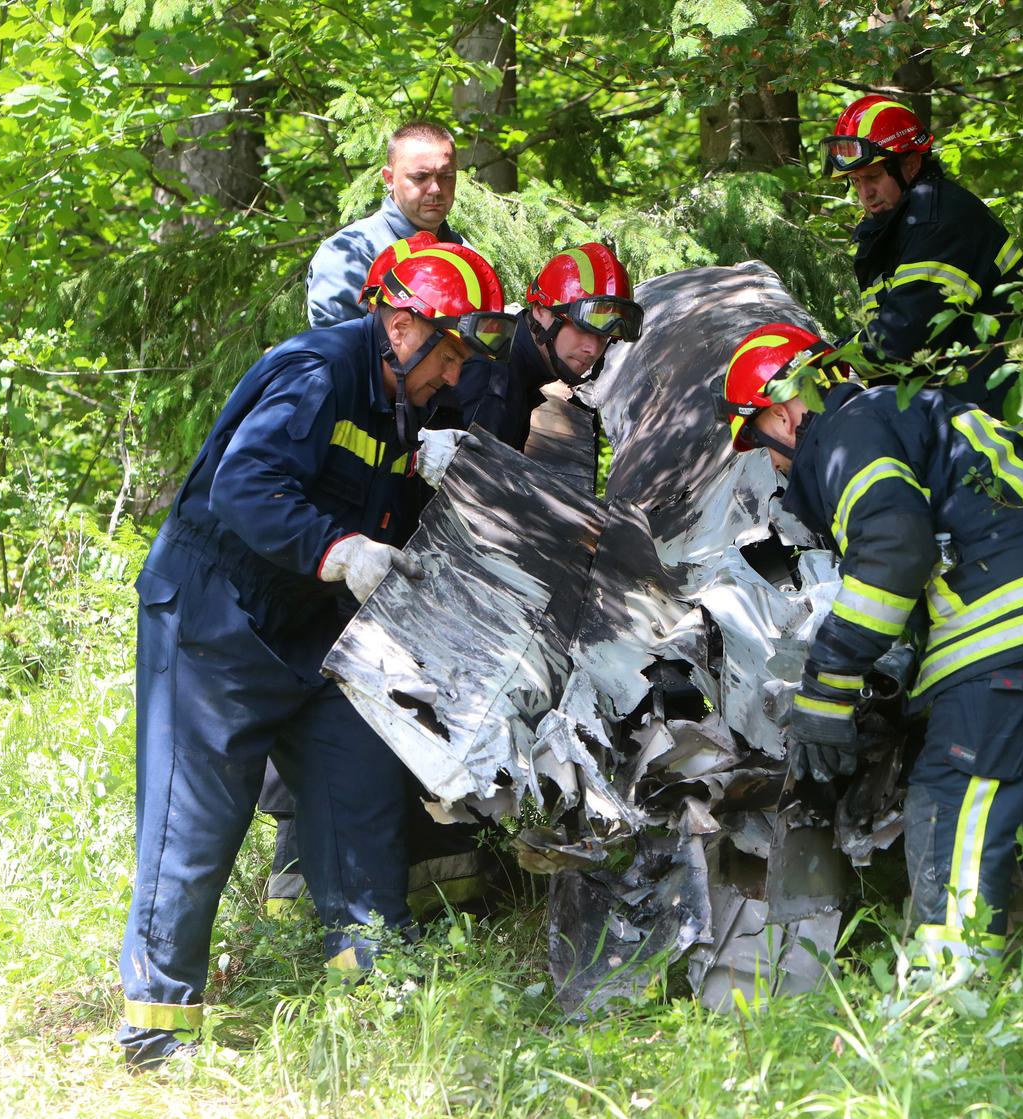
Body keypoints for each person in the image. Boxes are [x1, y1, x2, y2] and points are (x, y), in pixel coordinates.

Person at [118, 236, 514, 1068]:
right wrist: (337, 551)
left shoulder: (409, 400)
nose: (454, 375)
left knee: (358, 796)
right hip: (217, 615)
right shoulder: (320, 369)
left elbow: (385, 499)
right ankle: (158, 1027)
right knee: (197, 821)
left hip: (317, 624)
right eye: (448, 354)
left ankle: (375, 979)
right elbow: (245, 485)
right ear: (402, 326)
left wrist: (439, 473)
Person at [715, 323, 1023, 963]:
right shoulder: (911, 406)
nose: (775, 466)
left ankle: (945, 1012)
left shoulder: (843, 433)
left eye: (760, 446)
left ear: (781, 411)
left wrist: (827, 697)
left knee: (952, 804)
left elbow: (894, 550)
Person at [821, 96, 1023, 459]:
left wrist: (829, 360)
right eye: (856, 181)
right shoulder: (893, 230)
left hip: (1013, 439)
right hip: (974, 434)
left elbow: (900, 340)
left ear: (910, 164)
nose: (865, 193)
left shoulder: (940, 222)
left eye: (874, 176)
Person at [448, 242, 643, 452]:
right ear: (541, 310)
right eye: (584, 329)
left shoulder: (513, 369)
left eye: (604, 337)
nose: (593, 349)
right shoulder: (493, 380)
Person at [306, 119, 465, 330]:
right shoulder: (349, 253)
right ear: (389, 179)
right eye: (420, 177)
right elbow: (336, 351)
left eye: (446, 176)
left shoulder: (464, 253)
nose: (435, 188)